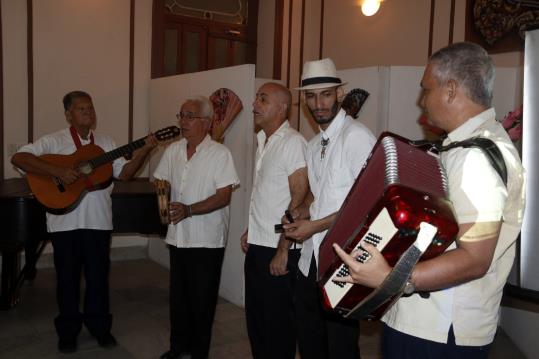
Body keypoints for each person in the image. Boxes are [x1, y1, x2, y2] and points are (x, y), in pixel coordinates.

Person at [333, 42, 525, 359]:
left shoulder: (474, 158)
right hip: (434, 324)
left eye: (427, 89)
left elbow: (475, 259)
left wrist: (392, 278)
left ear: (450, 90)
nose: (422, 101)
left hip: (437, 330)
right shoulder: (481, 143)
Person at [11, 90, 157, 353]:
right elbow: (19, 158)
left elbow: (124, 174)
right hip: (64, 224)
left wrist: (144, 150)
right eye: (81, 109)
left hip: (98, 223)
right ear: (68, 114)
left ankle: (100, 328)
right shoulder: (53, 141)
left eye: (90, 107)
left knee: (98, 279)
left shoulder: (106, 142)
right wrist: (57, 171)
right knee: (66, 280)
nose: (88, 112)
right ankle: (68, 332)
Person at [283, 58, 376, 359]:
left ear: (338, 94)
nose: (318, 103)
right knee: (310, 339)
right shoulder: (313, 145)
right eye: (311, 96)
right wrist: (302, 214)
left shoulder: (356, 137)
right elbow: (319, 196)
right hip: (311, 258)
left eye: (325, 94)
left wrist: (315, 224)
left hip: (344, 259)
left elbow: (368, 204)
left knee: (341, 345)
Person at [154, 96, 239, 359]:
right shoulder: (173, 150)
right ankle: (178, 346)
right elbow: (160, 181)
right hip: (179, 236)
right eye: (181, 115)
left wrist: (188, 209)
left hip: (207, 240)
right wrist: (163, 199)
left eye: (189, 116)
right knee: (179, 298)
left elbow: (224, 196)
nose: (182, 121)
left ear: (206, 121)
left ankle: (200, 352)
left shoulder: (220, 153)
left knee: (202, 301)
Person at [240, 82, 309, 359]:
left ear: (282, 108)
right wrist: (252, 229)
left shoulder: (293, 142)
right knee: (256, 321)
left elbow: (300, 200)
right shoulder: (263, 141)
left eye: (263, 99)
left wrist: (283, 249)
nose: (255, 104)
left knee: (278, 326)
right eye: (257, 98)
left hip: (279, 250)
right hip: (259, 244)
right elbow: (268, 197)